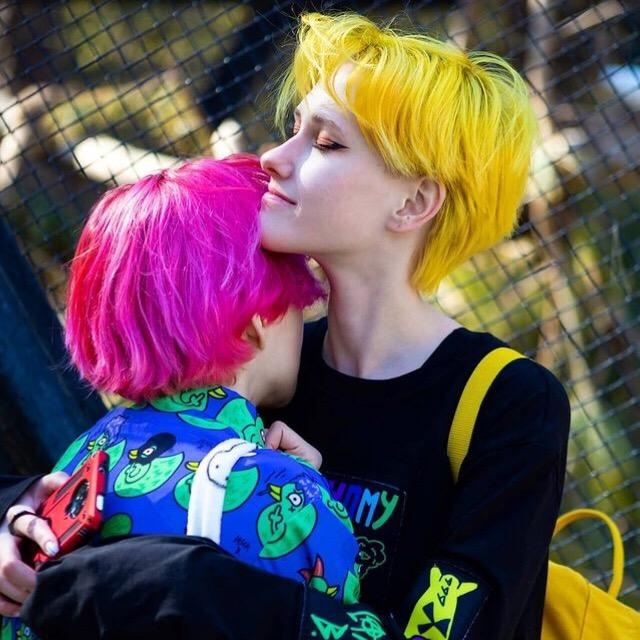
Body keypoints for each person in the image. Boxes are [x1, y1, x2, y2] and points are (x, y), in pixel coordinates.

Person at [0, 12, 570, 640]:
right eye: (294, 129)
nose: (273, 157)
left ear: (413, 202)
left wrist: (190, 585)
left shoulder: (508, 402)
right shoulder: (255, 361)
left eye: (326, 143)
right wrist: (17, 513)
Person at [2, 154, 361, 639]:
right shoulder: (284, 494)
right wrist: (301, 488)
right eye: (298, 303)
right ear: (257, 325)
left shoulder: (76, 466)